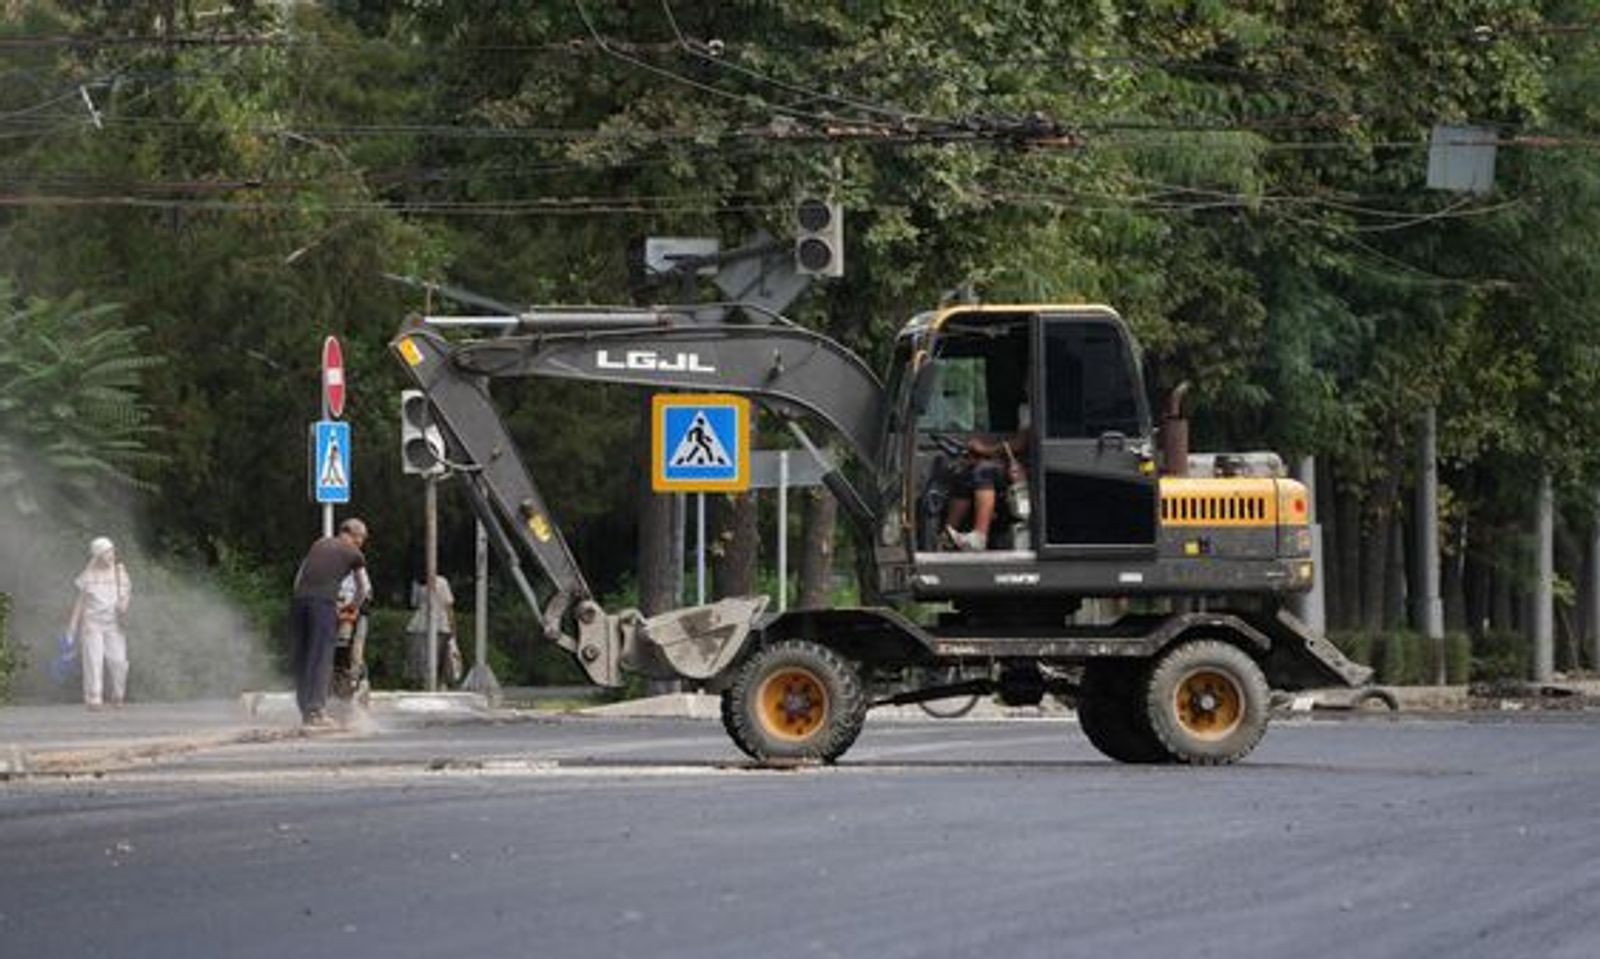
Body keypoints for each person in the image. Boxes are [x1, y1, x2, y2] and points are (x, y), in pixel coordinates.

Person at [289, 518, 368, 728]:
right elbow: (363, 589)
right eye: (362, 538)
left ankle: (305, 710)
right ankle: (316, 711)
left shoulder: (319, 543)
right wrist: (351, 607)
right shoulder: (354, 554)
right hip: (322, 605)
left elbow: (298, 578)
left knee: (303, 657)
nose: (362, 542)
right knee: (321, 656)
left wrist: (301, 598)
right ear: (355, 535)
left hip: (298, 602)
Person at [944, 400, 1031, 552]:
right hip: (1015, 464)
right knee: (965, 474)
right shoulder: (1024, 408)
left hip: (1033, 469)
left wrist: (985, 450)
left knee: (983, 471)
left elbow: (1021, 443)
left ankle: (979, 537)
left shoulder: (1039, 406)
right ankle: (946, 537)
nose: (1027, 385)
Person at [66, 536, 132, 710]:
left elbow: (126, 596)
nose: (110, 555)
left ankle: (118, 694)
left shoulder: (120, 571)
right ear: (97, 555)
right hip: (92, 623)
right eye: (106, 552)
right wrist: (72, 626)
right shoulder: (88, 574)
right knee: (94, 661)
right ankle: (94, 698)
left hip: (114, 624)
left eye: (111, 551)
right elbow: (81, 601)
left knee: (119, 661)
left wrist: (123, 606)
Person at [405, 574, 460, 688]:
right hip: (440, 626)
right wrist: (453, 629)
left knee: (422, 661)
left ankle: (426, 684)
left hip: (420, 626)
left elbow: (415, 604)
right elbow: (449, 607)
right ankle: (440, 683)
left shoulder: (417, 583)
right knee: (439, 659)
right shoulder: (442, 582)